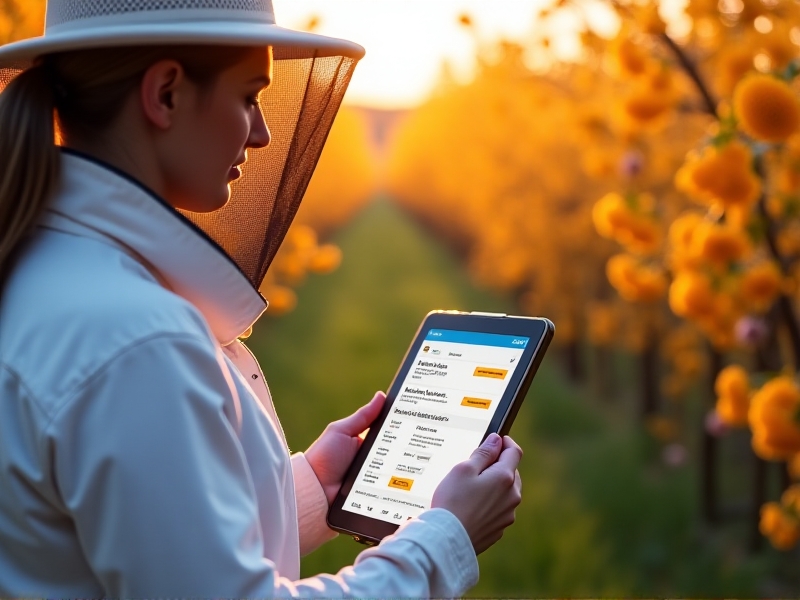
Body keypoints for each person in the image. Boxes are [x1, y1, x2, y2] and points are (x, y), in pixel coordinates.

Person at [0, 0, 523, 597]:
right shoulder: (137, 340)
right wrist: (445, 537)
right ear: (166, 93)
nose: (263, 132)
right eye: (249, 96)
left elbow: (146, 552)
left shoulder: (46, 270)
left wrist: (309, 490)